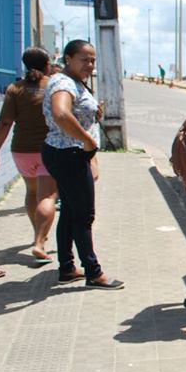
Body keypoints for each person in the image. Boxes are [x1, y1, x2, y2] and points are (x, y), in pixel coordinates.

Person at [41, 40, 123, 289]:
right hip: (70, 155)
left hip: (64, 154)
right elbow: (61, 113)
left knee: (69, 211)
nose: (89, 65)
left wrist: (92, 115)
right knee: (84, 216)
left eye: (92, 60)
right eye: (84, 59)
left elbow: (72, 113)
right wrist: (87, 140)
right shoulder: (63, 83)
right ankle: (93, 272)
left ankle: (67, 266)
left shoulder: (73, 82)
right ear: (67, 58)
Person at [0, 47, 58, 264]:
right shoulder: (53, 86)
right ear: (47, 65)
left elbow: (4, 123)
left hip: (21, 151)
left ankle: (36, 234)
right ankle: (40, 242)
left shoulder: (15, 88)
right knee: (48, 197)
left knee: (32, 192)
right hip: (48, 150)